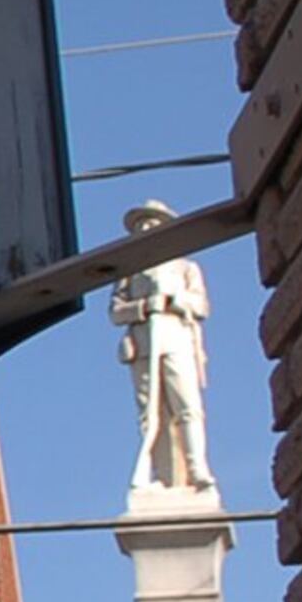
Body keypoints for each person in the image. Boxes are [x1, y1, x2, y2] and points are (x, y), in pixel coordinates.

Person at [113, 200, 214, 492]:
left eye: (151, 224)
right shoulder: (129, 274)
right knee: (150, 411)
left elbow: (202, 305)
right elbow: (115, 311)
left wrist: (176, 301)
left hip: (176, 338)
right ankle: (160, 474)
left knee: (186, 406)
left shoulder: (186, 268)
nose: (145, 229)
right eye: (140, 226)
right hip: (144, 345)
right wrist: (144, 307)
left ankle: (196, 468)